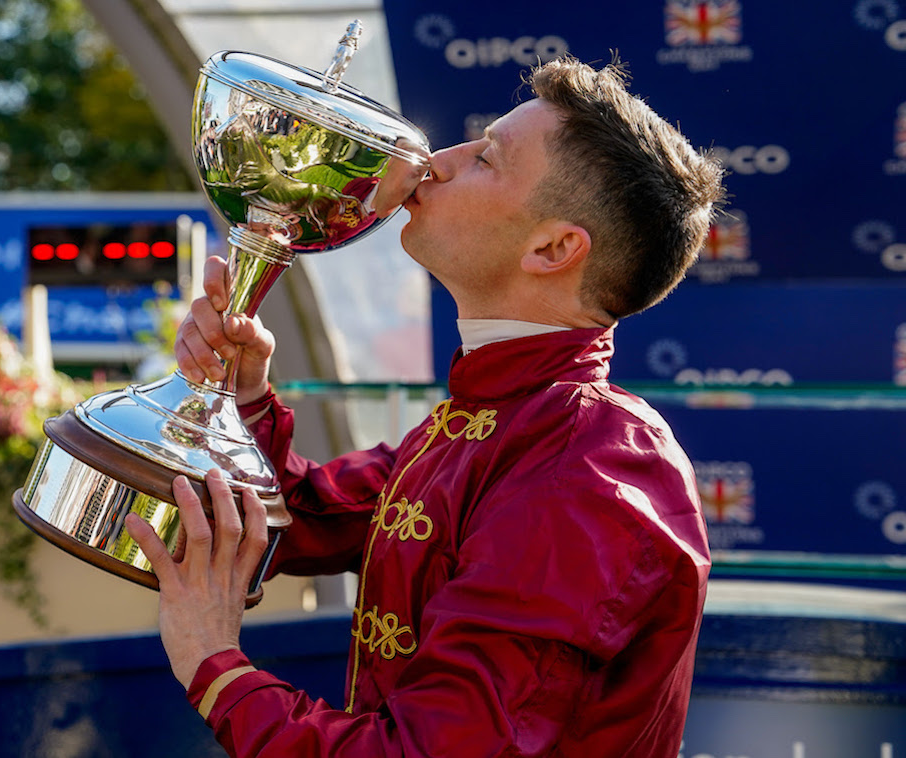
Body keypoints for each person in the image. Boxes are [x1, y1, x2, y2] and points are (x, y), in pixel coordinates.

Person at [125, 55, 726, 757]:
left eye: (486, 159)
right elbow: (303, 519)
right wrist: (245, 394)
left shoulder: (591, 467)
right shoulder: (493, 417)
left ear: (554, 247)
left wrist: (215, 666)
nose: (434, 162)